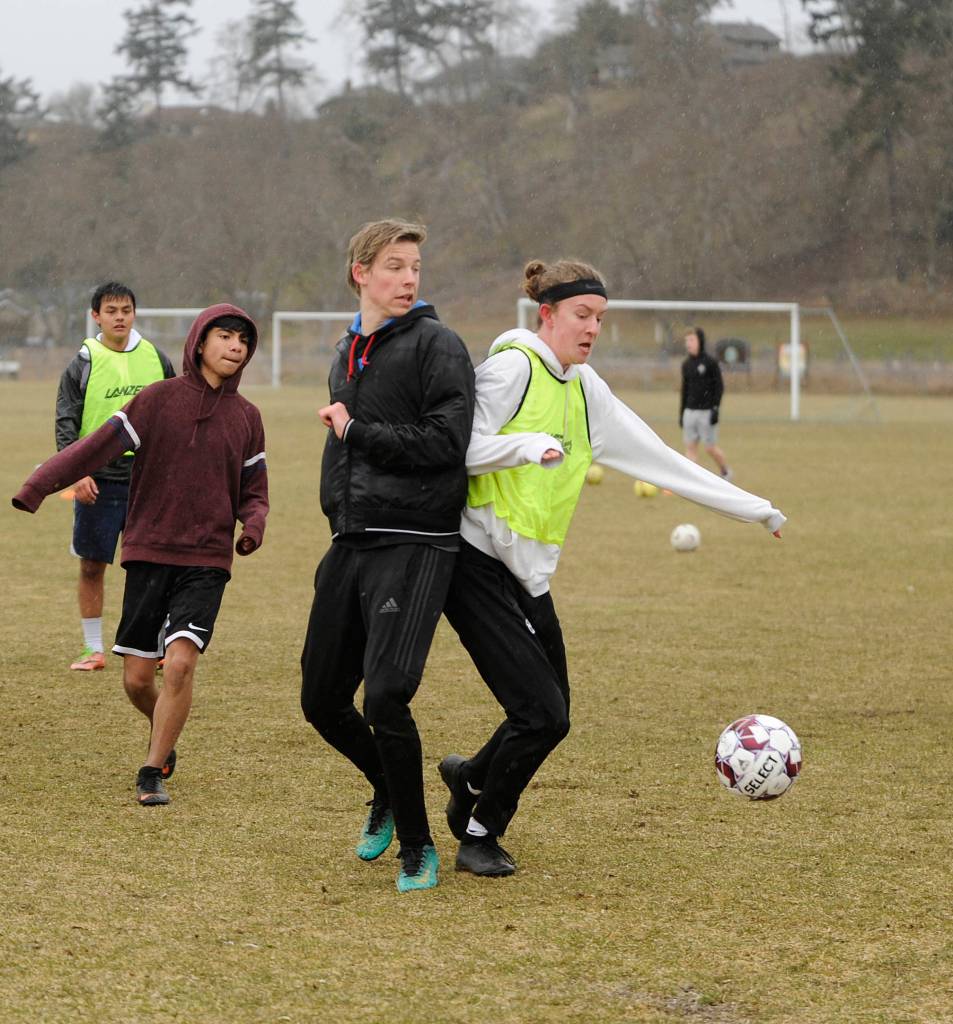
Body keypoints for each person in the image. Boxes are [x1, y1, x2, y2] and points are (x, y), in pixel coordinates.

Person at [438, 260, 786, 877]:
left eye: (600, 317)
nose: (593, 327)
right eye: (582, 315)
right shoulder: (511, 368)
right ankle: (478, 833)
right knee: (541, 713)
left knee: (552, 714)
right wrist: (524, 446)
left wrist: (754, 509)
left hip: (529, 574)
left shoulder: (585, 387)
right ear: (546, 314)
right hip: (474, 562)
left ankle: (468, 776)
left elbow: (658, 459)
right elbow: (456, 449)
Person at [13, 304, 268, 807]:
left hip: (207, 558)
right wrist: (39, 485)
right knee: (135, 679)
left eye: (242, 340)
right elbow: (94, 447)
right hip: (150, 550)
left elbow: (254, 489)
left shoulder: (248, 417)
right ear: (199, 343)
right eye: (224, 336)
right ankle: (164, 730)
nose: (235, 347)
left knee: (178, 665)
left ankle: (152, 770)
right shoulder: (157, 401)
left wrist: (253, 525)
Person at [300, 218, 475, 894]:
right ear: (361, 273)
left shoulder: (438, 344)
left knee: (387, 696)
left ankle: (419, 844)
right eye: (394, 267)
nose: (407, 279)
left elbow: (443, 442)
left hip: (416, 540)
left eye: (414, 268)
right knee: (319, 699)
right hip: (351, 538)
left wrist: (356, 430)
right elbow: (344, 448)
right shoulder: (347, 348)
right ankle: (385, 784)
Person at [56, 282, 175, 671]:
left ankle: (156, 645)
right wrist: (76, 473)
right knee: (92, 564)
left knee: (154, 564)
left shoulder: (156, 359)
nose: (119, 317)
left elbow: (179, 411)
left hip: (150, 477)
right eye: (111, 311)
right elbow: (66, 423)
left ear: (134, 313)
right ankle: (93, 648)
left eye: (126, 310)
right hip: (98, 480)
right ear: (96, 317)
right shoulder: (82, 363)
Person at [680, 326, 732, 479]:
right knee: (690, 448)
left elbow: (719, 387)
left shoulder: (710, 363)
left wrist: (715, 408)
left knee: (710, 448)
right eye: (686, 341)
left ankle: (725, 471)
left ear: (700, 341)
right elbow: (685, 389)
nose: (688, 343)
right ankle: (691, 480)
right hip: (689, 412)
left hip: (706, 412)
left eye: (691, 340)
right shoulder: (686, 365)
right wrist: (681, 412)